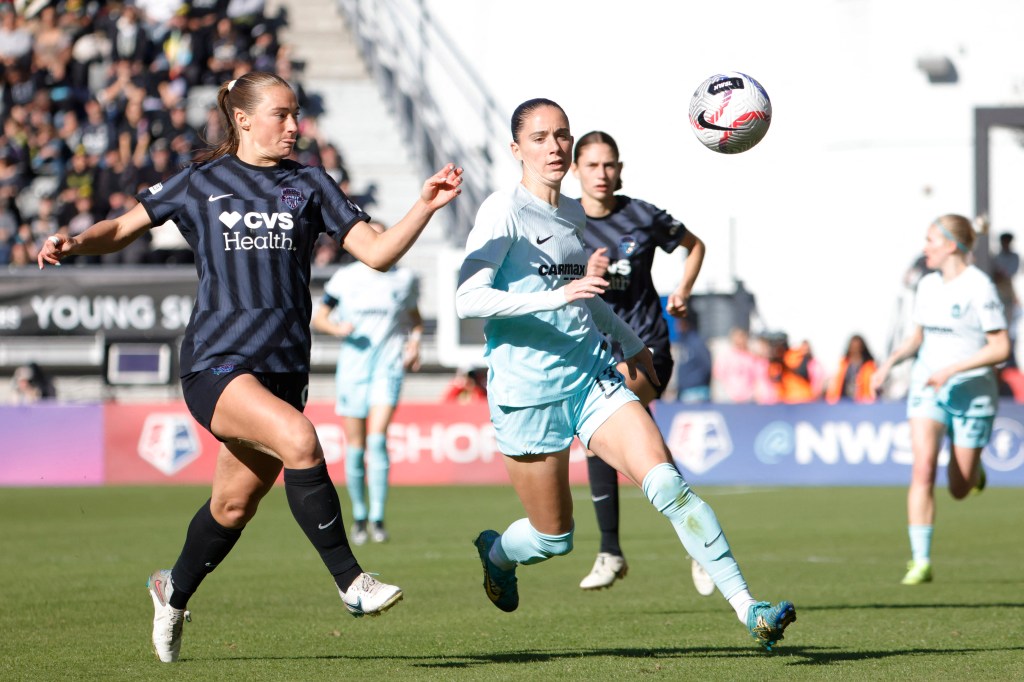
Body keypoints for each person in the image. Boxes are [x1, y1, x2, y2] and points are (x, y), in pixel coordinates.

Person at [37, 71, 463, 663]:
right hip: (216, 363)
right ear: (243, 119)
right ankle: (352, 582)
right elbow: (122, 227)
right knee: (300, 440)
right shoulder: (201, 181)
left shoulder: (311, 182)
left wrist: (424, 204)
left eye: (297, 115)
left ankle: (172, 590)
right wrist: (75, 242)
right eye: (282, 115)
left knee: (233, 507)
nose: (295, 126)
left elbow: (378, 253)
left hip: (284, 371)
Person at [455, 97, 795, 651]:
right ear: (515, 149)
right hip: (527, 394)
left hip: (591, 378)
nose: (555, 146)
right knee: (552, 538)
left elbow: (585, 299)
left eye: (562, 135)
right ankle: (495, 554)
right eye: (540, 138)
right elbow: (469, 298)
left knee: (668, 485)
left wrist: (632, 341)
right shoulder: (503, 210)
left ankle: (749, 607)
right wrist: (555, 296)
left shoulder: (569, 213)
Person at [570, 129, 714, 595]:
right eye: (592, 165)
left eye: (609, 164)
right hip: (593, 357)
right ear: (576, 170)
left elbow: (695, 245)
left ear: (620, 169)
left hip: (646, 348)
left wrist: (683, 289)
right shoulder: (562, 224)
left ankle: (610, 551)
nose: (602, 174)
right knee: (649, 454)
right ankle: (702, 545)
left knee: (597, 435)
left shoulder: (641, 215)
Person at [871, 214, 1010, 586]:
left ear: (951, 244)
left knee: (960, 489)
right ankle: (921, 560)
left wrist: (954, 369)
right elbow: (917, 338)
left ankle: (973, 470)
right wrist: (887, 365)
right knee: (922, 469)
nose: (924, 247)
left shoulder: (980, 287)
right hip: (927, 387)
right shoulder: (928, 285)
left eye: (931, 240)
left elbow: (1001, 347)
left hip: (972, 393)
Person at [311, 223, 424, 545]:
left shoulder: (403, 278)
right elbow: (319, 317)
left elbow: (414, 319)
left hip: (387, 368)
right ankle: (359, 516)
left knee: (377, 441)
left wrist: (415, 344)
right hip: (353, 370)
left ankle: (377, 517)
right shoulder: (345, 278)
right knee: (356, 448)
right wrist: (336, 329)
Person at [825, 333, 876, 403]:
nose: (855, 350)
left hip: (863, 402)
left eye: (857, 347)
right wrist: (832, 398)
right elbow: (836, 383)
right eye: (853, 347)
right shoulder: (843, 363)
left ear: (862, 348)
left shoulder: (869, 365)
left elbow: (872, 385)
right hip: (843, 401)